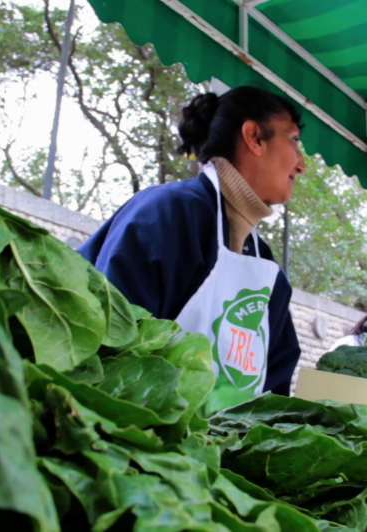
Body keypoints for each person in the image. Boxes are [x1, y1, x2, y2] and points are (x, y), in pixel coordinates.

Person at [79, 86, 305, 414]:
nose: (301, 164)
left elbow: (274, 390)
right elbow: (107, 339)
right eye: (294, 140)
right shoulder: (167, 214)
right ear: (254, 137)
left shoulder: (267, 268)